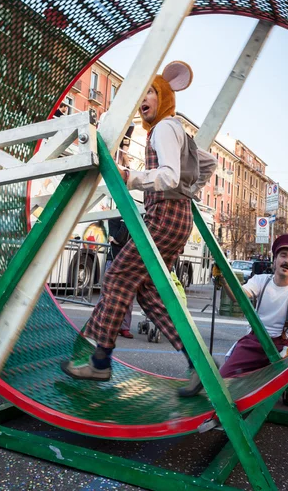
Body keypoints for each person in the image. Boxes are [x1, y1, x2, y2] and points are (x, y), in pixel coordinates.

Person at [61, 61, 217, 386]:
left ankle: (100, 360)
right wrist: (190, 191)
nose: (143, 99)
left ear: (164, 97)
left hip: (165, 217)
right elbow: (209, 162)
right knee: (148, 293)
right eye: (141, 94)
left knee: (117, 276)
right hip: (178, 218)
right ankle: (199, 363)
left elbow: (170, 175)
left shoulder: (164, 128)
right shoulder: (177, 131)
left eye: (150, 92)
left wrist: (132, 178)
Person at [179, 234, 288, 397]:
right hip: (255, 342)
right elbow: (237, 295)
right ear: (275, 259)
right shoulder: (261, 280)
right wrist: (223, 279)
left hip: (281, 346)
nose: (287, 261)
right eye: (283, 255)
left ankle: (285, 387)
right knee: (222, 386)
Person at [105, 216, 134, 338]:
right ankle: (106, 325)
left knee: (128, 296)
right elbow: (119, 238)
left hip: (129, 261)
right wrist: (124, 223)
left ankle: (124, 327)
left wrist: (116, 239)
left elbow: (120, 240)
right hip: (114, 259)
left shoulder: (133, 219)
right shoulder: (113, 219)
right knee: (108, 294)